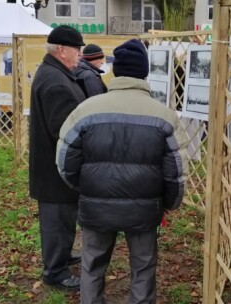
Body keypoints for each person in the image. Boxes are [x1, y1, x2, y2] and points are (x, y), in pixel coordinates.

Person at [56, 39, 189, 303]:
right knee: (143, 266)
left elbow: (64, 160)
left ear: (115, 71)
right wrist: (169, 203)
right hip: (145, 207)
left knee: (92, 265)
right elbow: (177, 170)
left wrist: (84, 187)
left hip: (96, 204)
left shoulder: (86, 110)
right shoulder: (164, 116)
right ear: (145, 72)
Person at [29, 25, 87, 291]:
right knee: (56, 220)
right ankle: (55, 272)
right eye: (77, 49)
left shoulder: (57, 74)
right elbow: (63, 130)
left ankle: (62, 257)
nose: (80, 55)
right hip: (55, 169)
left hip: (55, 167)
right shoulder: (55, 80)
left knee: (63, 219)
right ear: (62, 50)